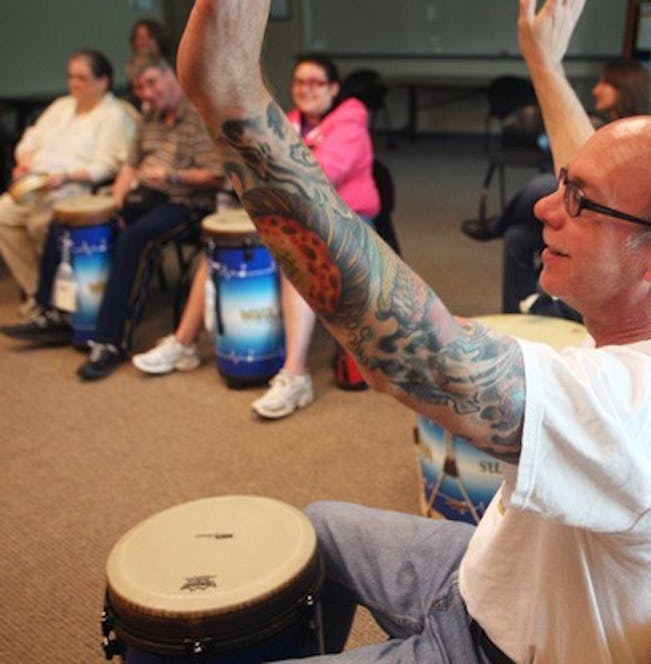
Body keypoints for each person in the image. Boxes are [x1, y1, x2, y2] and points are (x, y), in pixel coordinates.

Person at [178, 0, 651, 661]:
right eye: (565, 184)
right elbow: (616, 190)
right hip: (490, 579)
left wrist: (232, 94)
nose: (548, 204)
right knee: (318, 529)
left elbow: (418, 359)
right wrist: (544, 61)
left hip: (501, 651)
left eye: (578, 201)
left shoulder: (648, 410)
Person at [133, 52, 379, 420]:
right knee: (218, 250)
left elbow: (315, 181)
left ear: (333, 88)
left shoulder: (350, 125)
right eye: (299, 82)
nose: (306, 89)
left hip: (347, 224)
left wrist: (266, 172)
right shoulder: (289, 123)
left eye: (316, 82)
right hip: (293, 218)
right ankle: (184, 343)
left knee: (295, 257)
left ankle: (296, 375)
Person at [2, 53, 224, 381]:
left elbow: (216, 176)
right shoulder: (148, 117)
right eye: (140, 88)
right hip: (144, 194)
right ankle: (53, 312)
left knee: (134, 239)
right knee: (68, 218)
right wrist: (115, 206)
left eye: (152, 83)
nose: (147, 93)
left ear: (171, 77)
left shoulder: (200, 116)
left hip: (187, 201)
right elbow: (130, 165)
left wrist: (175, 176)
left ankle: (110, 341)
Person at [460, 59, 651, 314]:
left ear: (627, 88)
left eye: (606, 83)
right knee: (517, 237)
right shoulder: (590, 121)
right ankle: (516, 317)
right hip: (570, 211)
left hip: (602, 228)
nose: (596, 90)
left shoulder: (644, 137)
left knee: (543, 186)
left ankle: (495, 226)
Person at [0, 49, 136, 319]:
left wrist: (67, 177)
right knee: (3, 214)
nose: (74, 84)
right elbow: (30, 139)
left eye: (82, 78)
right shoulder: (60, 107)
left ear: (102, 81)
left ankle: (54, 299)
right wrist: (24, 161)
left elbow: (106, 165)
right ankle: (39, 291)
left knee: (40, 223)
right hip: (35, 182)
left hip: (75, 187)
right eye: (71, 77)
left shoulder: (113, 115)